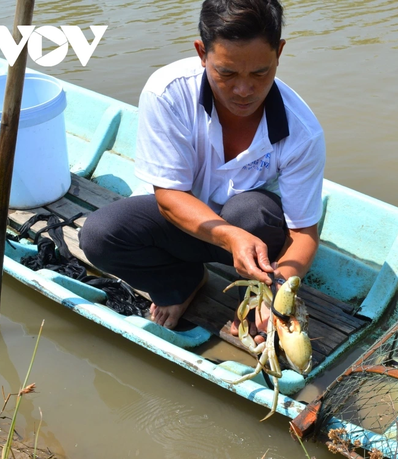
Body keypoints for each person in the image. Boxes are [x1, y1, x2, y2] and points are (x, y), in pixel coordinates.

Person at [79, 0, 325, 338]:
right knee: (100, 235)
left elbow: (303, 234)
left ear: (279, 53)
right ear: (201, 53)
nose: (243, 91)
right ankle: (182, 282)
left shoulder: (303, 131)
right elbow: (168, 197)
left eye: (260, 73)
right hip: (183, 222)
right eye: (226, 73)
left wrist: (280, 289)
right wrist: (229, 236)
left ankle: (253, 304)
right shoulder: (167, 92)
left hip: (254, 239)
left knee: (254, 212)